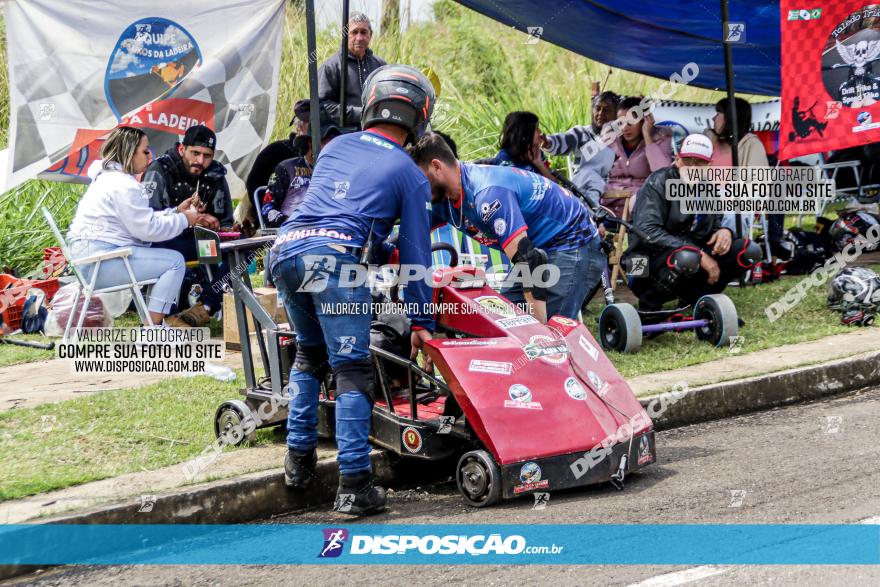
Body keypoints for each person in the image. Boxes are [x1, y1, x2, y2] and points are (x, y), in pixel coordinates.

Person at [270, 64, 436, 515]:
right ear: (420, 116)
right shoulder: (410, 172)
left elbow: (339, 210)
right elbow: (417, 255)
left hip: (286, 249)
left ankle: (298, 462)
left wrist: (375, 248)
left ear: (371, 104)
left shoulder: (336, 145)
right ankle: (354, 484)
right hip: (335, 259)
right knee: (352, 369)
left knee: (309, 353)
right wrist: (421, 321)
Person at [411, 132, 602, 322]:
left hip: (572, 240)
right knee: (499, 322)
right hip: (538, 249)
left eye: (419, 178)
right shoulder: (443, 197)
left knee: (548, 336)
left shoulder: (487, 194)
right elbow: (410, 234)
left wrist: (540, 331)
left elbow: (529, 260)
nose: (416, 186)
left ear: (436, 167)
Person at [67, 126, 200, 326]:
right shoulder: (123, 185)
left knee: (168, 260)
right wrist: (185, 220)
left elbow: (140, 220)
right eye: (145, 151)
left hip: (89, 259)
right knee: (175, 262)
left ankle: (154, 326)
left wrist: (175, 213)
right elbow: (147, 230)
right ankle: (151, 329)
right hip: (99, 263)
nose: (149, 156)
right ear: (129, 153)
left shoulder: (107, 179)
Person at [624, 134, 761, 312]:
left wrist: (725, 231)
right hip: (641, 263)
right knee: (688, 256)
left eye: (699, 163)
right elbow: (646, 231)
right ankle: (651, 303)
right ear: (677, 159)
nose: (693, 168)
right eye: (688, 161)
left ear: (709, 165)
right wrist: (699, 253)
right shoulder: (658, 181)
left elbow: (715, 224)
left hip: (688, 255)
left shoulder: (707, 188)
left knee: (749, 251)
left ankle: (700, 301)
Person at [143, 125, 234, 327]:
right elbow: (148, 220)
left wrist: (217, 224)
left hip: (202, 244)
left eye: (207, 155)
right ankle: (170, 313)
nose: (200, 161)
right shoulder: (160, 170)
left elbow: (227, 221)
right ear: (182, 149)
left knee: (243, 249)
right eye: (195, 153)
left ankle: (207, 306)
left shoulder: (216, 174)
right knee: (161, 251)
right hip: (168, 243)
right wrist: (187, 217)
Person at [261, 112, 343, 228]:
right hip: (290, 234)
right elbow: (267, 209)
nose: (332, 146)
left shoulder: (341, 171)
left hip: (329, 233)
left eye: (334, 141)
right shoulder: (286, 168)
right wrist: (289, 222)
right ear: (310, 142)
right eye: (325, 140)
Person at [242, 99, 312, 233]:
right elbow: (254, 185)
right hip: (279, 224)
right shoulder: (275, 152)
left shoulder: (329, 159)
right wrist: (271, 218)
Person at [708, 97, 772, 239]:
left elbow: (758, 185)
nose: (713, 118)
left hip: (734, 199)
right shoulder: (708, 139)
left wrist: (729, 196)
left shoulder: (752, 144)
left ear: (730, 117)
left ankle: (728, 251)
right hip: (702, 195)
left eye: (718, 114)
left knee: (733, 215)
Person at [541, 91, 619, 208]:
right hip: (583, 189)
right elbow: (563, 140)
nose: (600, 113)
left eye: (607, 110)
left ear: (616, 115)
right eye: (597, 109)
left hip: (612, 193)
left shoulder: (621, 137)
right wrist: (547, 142)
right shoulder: (581, 133)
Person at [600, 96, 674, 218]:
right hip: (610, 201)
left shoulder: (661, 136)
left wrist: (647, 136)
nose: (624, 128)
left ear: (644, 120)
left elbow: (662, 174)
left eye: (630, 123)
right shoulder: (611, 135)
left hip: (640, 203)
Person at [317, 12, 386, 128]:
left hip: (376, 131)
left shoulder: (380, 66)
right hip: (342, 134)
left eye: (363, 32)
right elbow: (323, 107)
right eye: (354, 32)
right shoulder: (331, 67)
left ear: (371, 35)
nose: (359, 38)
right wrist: (362, 114)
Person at [490, 111, 558, 183]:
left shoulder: (536, 153)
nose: (540, 132)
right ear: (523, 134)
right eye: (536, 129)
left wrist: (538, 163)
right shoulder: (505, 158)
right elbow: (515, 188)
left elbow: (556, 186)